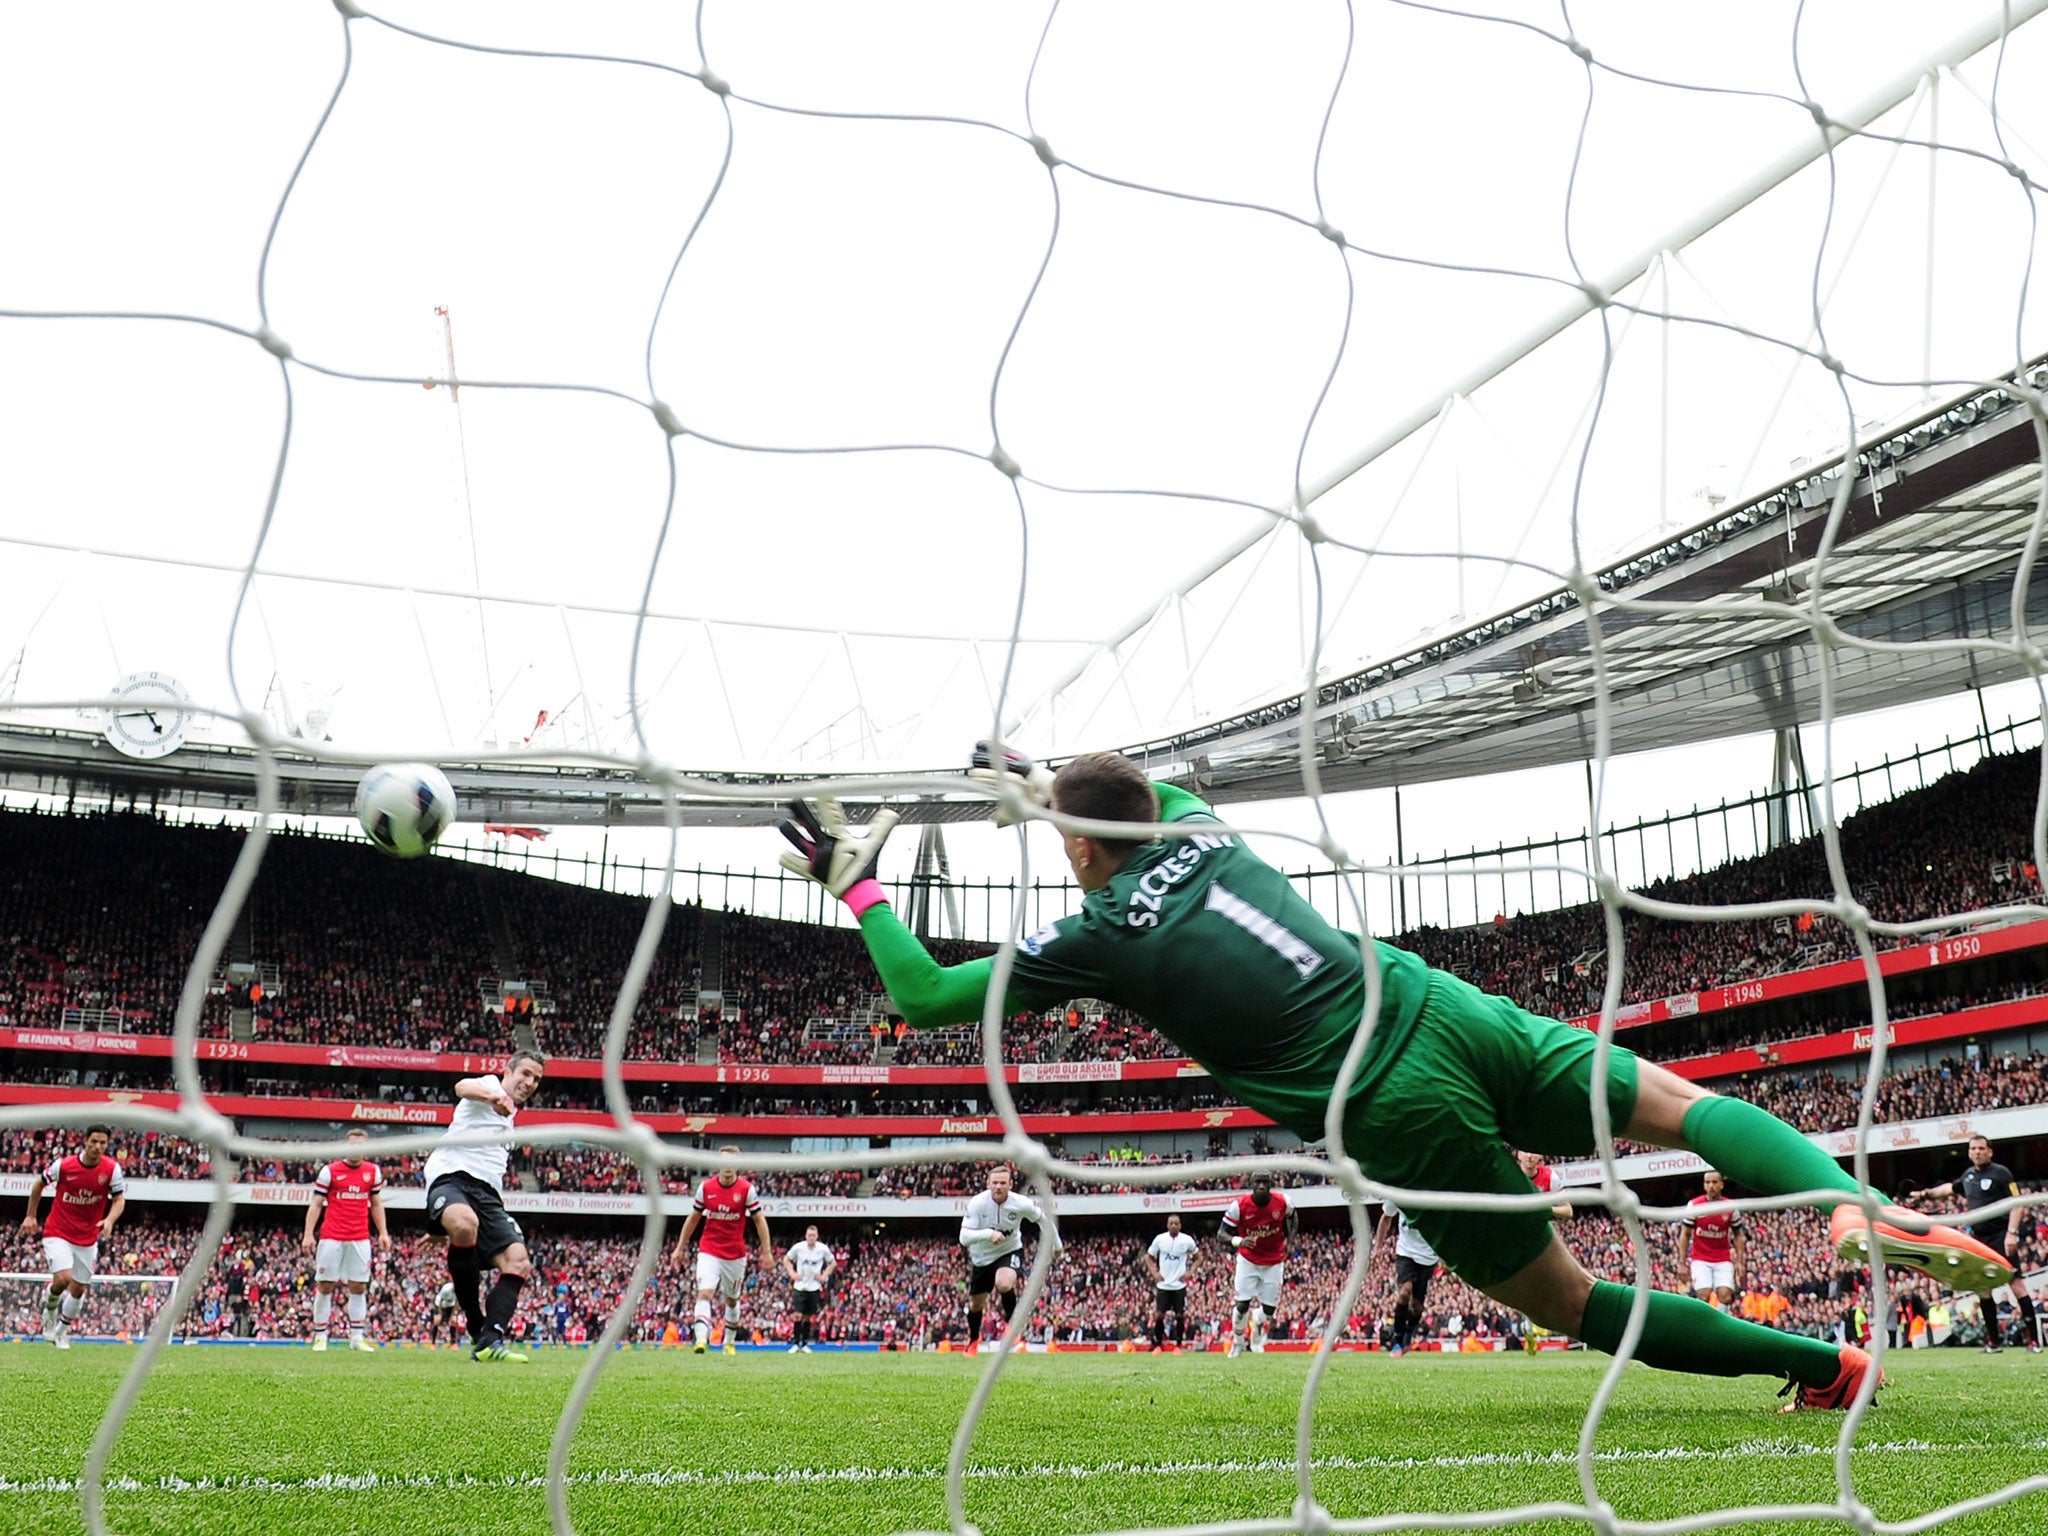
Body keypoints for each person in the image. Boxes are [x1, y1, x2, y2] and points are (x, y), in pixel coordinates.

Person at [778, 750, 2013, 1411]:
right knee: (1679, 1109)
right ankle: (1841, 1196)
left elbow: (924, 997)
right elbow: (1127, 798)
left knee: (1574, 1303)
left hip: (1387, 1103)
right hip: (1444, 1005)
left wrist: (860, 887)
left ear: (1085, 851)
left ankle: (1827, 1370)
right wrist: (1049, 789)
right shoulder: (1202, 820)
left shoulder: (1096, 935)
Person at [421, 1050, 547, 1363]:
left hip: (488, 1193)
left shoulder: (511, 1118)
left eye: (537, 1079)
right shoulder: (489, 1087)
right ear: (508, 1071)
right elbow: (462, 1086)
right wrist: (493, 1096)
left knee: (518, 1262)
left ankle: (490, 1339)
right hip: (452, 1179)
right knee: (464, 1225)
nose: (530, 1083)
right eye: (526, 1074)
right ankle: (475, 1323)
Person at [1908, 1134, 2037, 1352]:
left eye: (1980, 1148)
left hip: (2000, 1236)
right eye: (1973, 1148)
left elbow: (2018, 1204)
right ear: (1969, 1152)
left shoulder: (2001, 1173)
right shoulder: (1968, 1176)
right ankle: (1994, 1342)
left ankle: (2033, 1340)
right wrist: (1924, 1194)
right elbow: (1950, 1188)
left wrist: (2011, 1233)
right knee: (1983, 1288)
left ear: (1989, 1151)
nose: (1976, 1151)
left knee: (2016, 1285)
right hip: (1979, 1239)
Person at [17, 1123, 125, 1350]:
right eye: (94, 1141)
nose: (97, 1146)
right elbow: (38, 1184)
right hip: (58, 1231)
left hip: (87, 1237)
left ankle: (62, 1331)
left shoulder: (111, 1170)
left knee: (78, 1290)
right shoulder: (64, 1166)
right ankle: (49, 1311)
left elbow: (118, 1199)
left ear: (107, 1145)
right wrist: (30, 1216)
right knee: (63, 1278)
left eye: (102, 1143)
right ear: (85, 1141)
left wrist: (110, 1220)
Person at [670, 1146, 774, 1355]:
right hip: (709, 1249)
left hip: (735, 1254)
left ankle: (729, 1342)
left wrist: (767, 1251)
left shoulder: (746, 1190)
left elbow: (759, 1220)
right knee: (705, 1292)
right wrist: (680, 1247)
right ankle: (701, 1339)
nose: (728, 1168)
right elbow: (694, 1217)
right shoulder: (706, 1188)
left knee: (732, 1299)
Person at [301, 1127, 391, 1351]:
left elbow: (376, 1204)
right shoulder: (329, 1171)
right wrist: (308, 1234)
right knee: (325, 1285)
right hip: (332, 1236)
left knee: (359, 1286)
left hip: (359, 1237)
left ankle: (356, 1337)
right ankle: (320, 1336)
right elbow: (316, 1204)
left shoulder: (373, 1172)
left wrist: (383, 1232)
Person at [958, 1164, 1059, 1355]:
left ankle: (1013, 1327)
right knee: (976, 1304)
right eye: (995, 1183)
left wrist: (1058, 1246)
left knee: (1004, 1283)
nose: (998, 1187)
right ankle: (973, 1340)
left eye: (1003, 1183)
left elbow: (1043, 1220)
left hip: (1010, 1250)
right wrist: (988, 1234)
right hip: (982, 1258)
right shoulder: (978, 1203)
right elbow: (964, 1237)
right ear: (988, 1184)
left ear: (1010, 1184)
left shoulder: (1020, 1203)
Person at [1220, 1173, 1294, 1356]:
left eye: (1265, 1182)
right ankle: (1237, 1343)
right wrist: (1238, 1241)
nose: (1261, 1186)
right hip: (1248, 1260)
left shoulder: (1283, 1202)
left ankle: (1257, 1319)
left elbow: (1293, 1217)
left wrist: (1290, 1241)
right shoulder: (1239, 1206)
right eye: (1258, 1182)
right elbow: (1221, 1233)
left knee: (1269, 1311)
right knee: (1242, 1303)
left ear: (1271, 1184)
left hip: (1274, 1261)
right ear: (1251, 1184)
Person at [1375, 1197, 1440, 1356]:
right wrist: (1378, 1247)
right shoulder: (1399, 1193)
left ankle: (1408, 1336)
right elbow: (1386, 1218)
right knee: (1404, 1292)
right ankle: (1397, 1342)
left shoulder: (1436, 1197)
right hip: (1406, 1252)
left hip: (1428, 1257)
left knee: (1417, 1305)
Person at [1681, 1170, 1746, 1309]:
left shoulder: (1730, 1207)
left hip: (1722, 1258)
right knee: (1704, 1295)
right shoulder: (1694, 1205)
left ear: (1722, 1185)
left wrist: (1740, 1261)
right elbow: (1685, 1234)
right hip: (1700, 1258)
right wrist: (1681, 1262)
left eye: (1714, 1182)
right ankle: (1703, 1327)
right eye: (1707, 1182)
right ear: (1704, 1185)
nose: (1711, 1186)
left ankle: (1721, 1327)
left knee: (1726, 1296)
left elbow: (1739, 1235)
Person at [1144, 1213, 1198, 1351]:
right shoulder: (1160, 1239)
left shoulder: (1187, 1240)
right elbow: (1148, 1257)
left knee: (1180, 1315)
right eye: (1171, 1223)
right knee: (1159, 1315)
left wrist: (1189, 1273)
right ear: (1167, 1225)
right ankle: (1158, 1344)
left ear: (1180, 1225)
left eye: (1176, 1223)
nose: (1174, 1225)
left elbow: (1199, 1257)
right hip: (1163, 1285)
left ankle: (1178, 1345)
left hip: (1179, 1285)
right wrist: (1155, 1273)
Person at [783, 1223, 836, 1353]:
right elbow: (786, 1259)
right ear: (806, 1236)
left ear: (817, 1236)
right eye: (809, 1235)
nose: (811, 1238)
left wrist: (824, 1275)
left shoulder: (822, 1249)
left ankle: (805, 1343)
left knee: (807, 1316)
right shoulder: (799, 1248)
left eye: (813, 1235)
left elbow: (832, 1263)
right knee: (797, 1315)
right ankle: (795, 1343)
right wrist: (792, 1274)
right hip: (800, 1286)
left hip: (814, 1287)